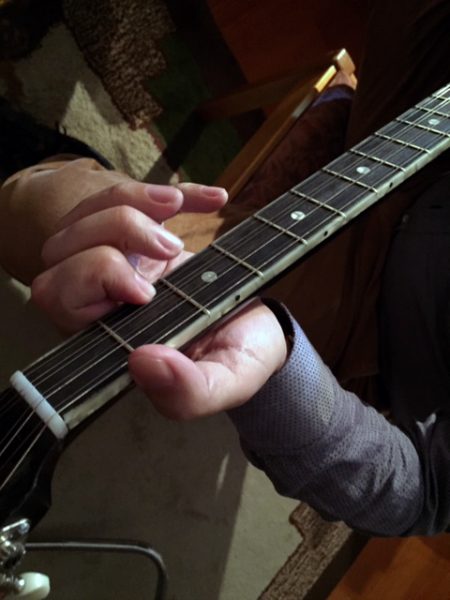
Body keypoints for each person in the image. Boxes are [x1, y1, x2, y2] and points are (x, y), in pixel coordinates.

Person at [1, 0, 449, 537]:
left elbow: (423, 495)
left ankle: (30, 153)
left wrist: (282, 364)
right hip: (429, 140)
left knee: (79, 230)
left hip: (375, 318)